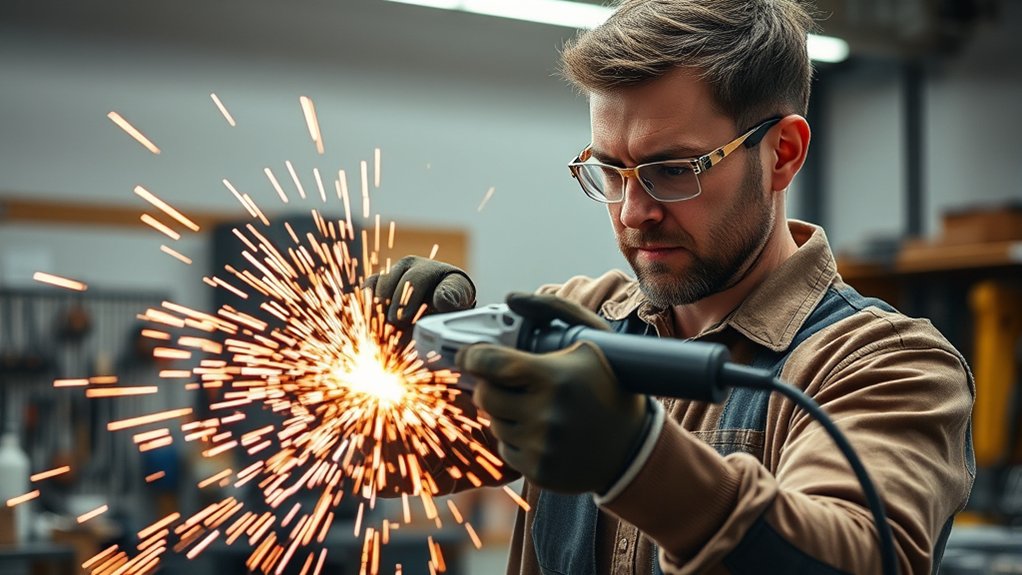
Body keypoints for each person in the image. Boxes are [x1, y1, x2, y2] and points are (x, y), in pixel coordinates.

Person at [367, 1, 975, 573]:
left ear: (783, 154)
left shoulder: (887, 366)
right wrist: (393, 363)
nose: (634, 212)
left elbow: (858, 555)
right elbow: (390, 462)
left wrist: (637, 459)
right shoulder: (578, 320)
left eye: (674, 170)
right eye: (611, 171)